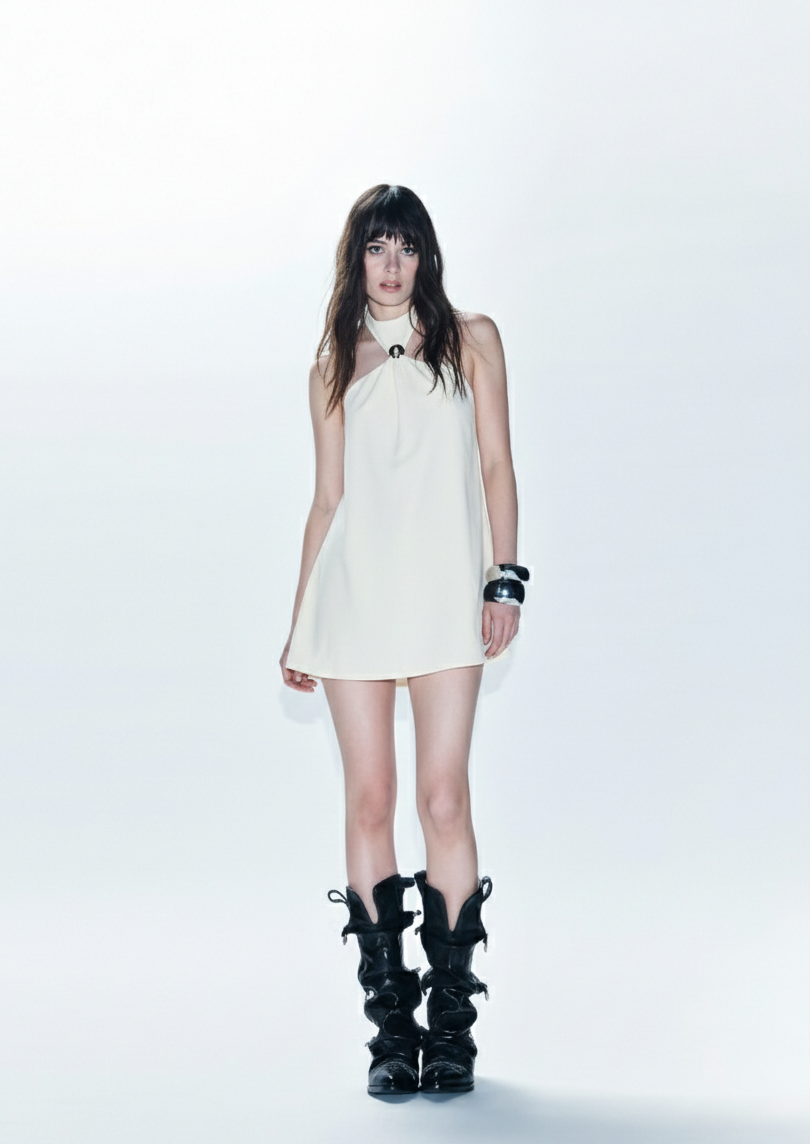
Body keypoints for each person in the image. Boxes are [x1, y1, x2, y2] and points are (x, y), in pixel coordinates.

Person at [279, 185, 529, 1096]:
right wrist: (298, 623)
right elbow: (327, 500)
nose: (391, 265)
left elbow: (496, 463)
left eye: (407, 247)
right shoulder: (331, 365)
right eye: (377, 247)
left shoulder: (474, 339)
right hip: (355, 599)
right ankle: (393, 1033)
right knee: (370, 801)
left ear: (426, 257)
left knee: (444, 798)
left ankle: (452, 1032)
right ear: (357, 258)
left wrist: (505, 579)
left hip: (445, 600)